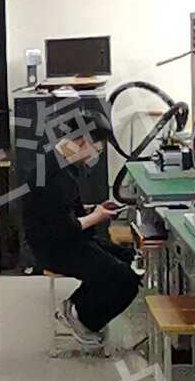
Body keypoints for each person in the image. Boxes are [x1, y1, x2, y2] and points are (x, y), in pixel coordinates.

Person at [16, 111, 141, 355]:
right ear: (83, 142)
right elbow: (63, 226)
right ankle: (82, 318)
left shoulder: (58, 162)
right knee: (125, 281)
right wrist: (97, 216)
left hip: (67, 239)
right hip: (54, 248)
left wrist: (94, 210)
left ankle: (76, 306)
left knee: (127, 259)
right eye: (97, 149)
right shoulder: (54, 174)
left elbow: (62, 211)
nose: (97, 155)